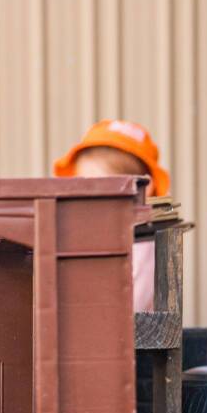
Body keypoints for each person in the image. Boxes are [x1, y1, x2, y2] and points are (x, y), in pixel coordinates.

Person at [54, 119, 171, 313]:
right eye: (82, 187)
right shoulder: (86, 235)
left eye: (103, 189)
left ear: (144, 187)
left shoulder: (143, 243)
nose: (90, 200)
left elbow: (128, 311)